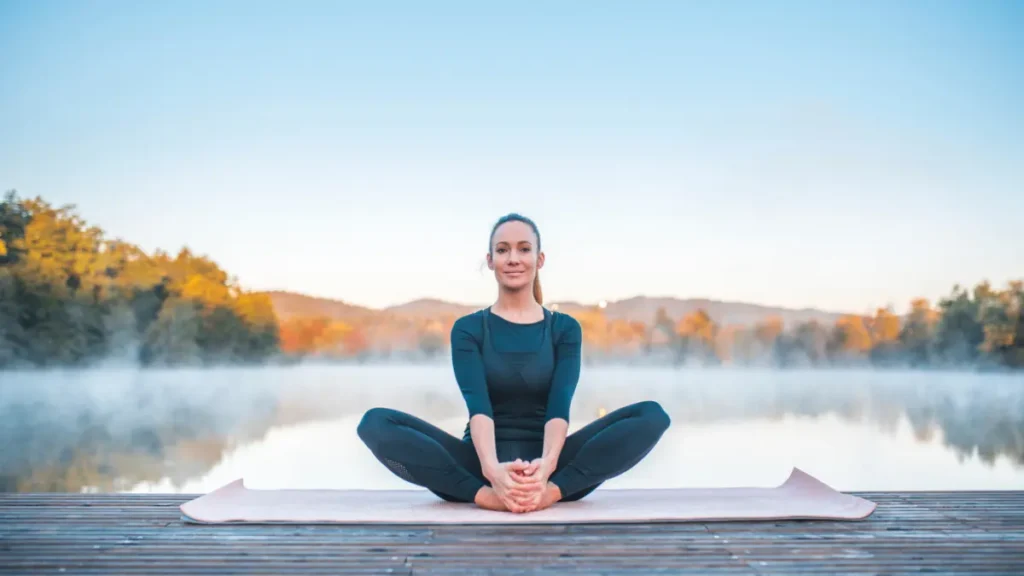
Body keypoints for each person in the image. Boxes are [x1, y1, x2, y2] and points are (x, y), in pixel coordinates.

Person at [357, 213, 671, 513]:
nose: (513, 258)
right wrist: (492, 474)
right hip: (478, 468)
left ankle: (548, 496)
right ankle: (485, 498)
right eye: (503, 250)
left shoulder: (564, 329)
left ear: (540, 259)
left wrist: (546, 474)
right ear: (490, 260)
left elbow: (559, 407)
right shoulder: (469, 329)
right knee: (375, 423)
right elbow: (478, 408)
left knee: (652, 416)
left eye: (524, 249)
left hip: (554, 469)